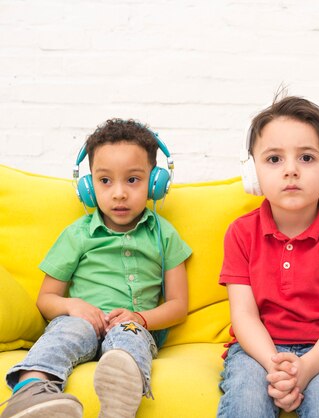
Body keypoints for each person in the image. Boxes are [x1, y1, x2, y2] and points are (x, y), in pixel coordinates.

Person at [1, 119, 192, 418]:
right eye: (105, 181)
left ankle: (119, 404)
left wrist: (140, 318)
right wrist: (73, 306)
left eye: (132, 180)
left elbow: (179, 305)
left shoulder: (164, 235)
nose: (118, 193)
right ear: (88, 187)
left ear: (156, 182)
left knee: (129, 341)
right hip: (82, 320)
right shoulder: (77, 234)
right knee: (65, 334)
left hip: (132, 325)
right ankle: (31, 393)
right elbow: (46, 299)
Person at [217, 95, 319, 418]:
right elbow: (244, 316)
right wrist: (277, 366)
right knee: (246, 405)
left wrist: (306, 367)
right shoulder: (240, 234)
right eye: (274, 159)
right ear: (252, 171)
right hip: (256, 350)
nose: (290, 171)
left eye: (307, 158)